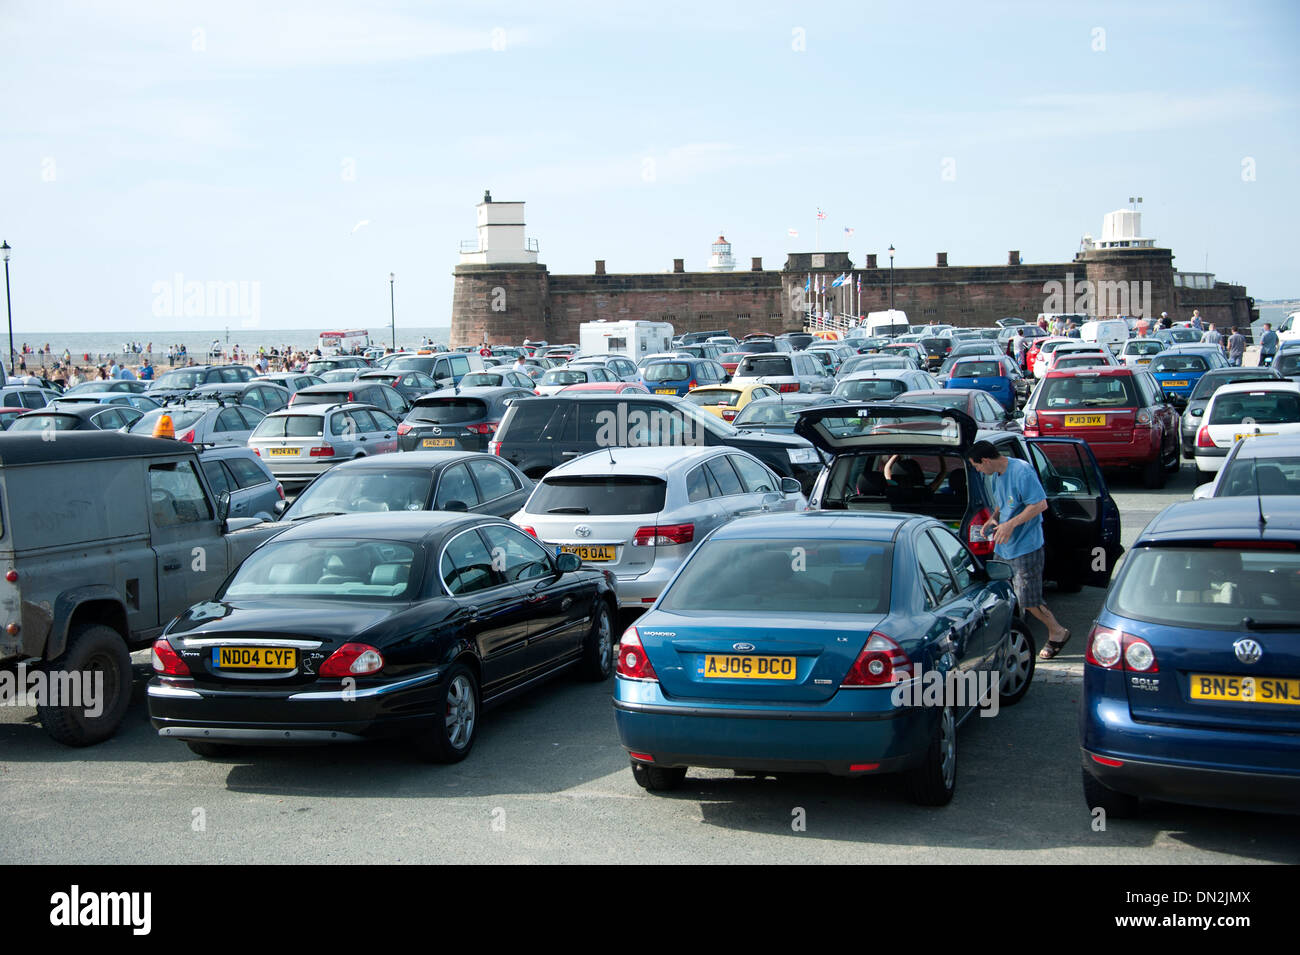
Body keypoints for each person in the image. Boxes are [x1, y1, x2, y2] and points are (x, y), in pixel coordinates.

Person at [967, 440, 1071, 660]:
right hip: (1004, 547)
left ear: (985, 460)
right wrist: (993, 519)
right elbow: (1001, 504)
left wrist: (1011, 524)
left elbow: (1040, 504)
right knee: (1002, 595)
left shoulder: (1022, 471)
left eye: (977, 466)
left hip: (1026, 547)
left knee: (1028, 600)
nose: (977, 470)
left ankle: (1057, 632)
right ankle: (1006, 638)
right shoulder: (995, 475)